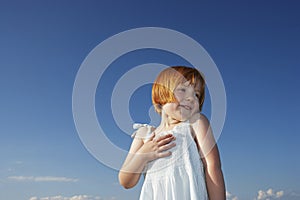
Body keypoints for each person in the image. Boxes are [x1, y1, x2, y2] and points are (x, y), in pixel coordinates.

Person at [119, 66, 225, 200]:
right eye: (183, 90)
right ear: (161, 93)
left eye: (196, 94)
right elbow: (126, 182)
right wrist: (142, 155)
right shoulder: (145, 135)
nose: (191, 98)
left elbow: (212, 166)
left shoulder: (196, 123)